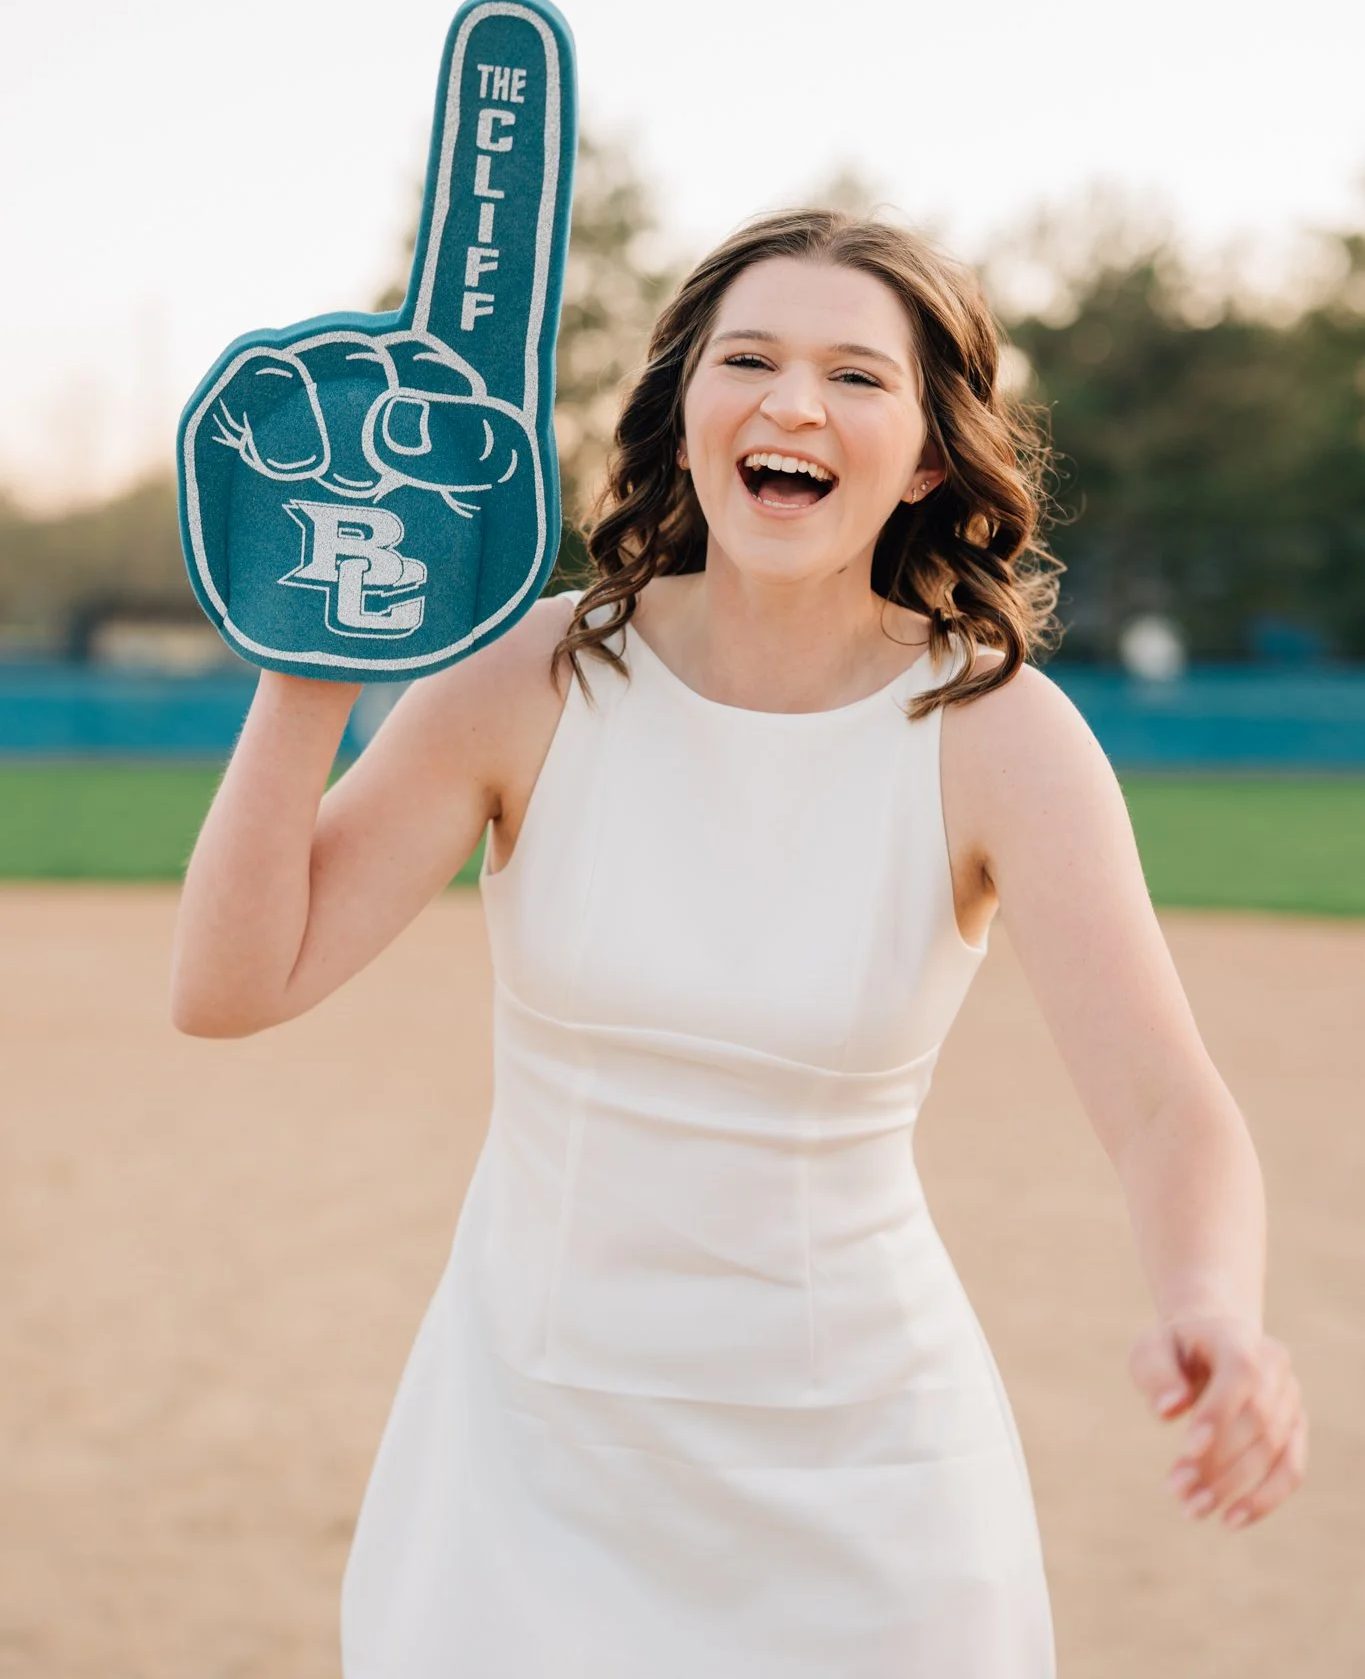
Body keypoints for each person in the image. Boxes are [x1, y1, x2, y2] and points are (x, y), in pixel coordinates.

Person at [171, 209, 1307, 1677]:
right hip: (523, 1473)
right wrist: (313, 665)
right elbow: (228, 987)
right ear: (685, 409)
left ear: (931, 450)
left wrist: (1216, 1307)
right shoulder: (535, 673)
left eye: (857, 375)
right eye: (749, 358)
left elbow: (1165, 1104)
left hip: (869, 1495)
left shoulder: (997, 733)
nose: (792, 403)